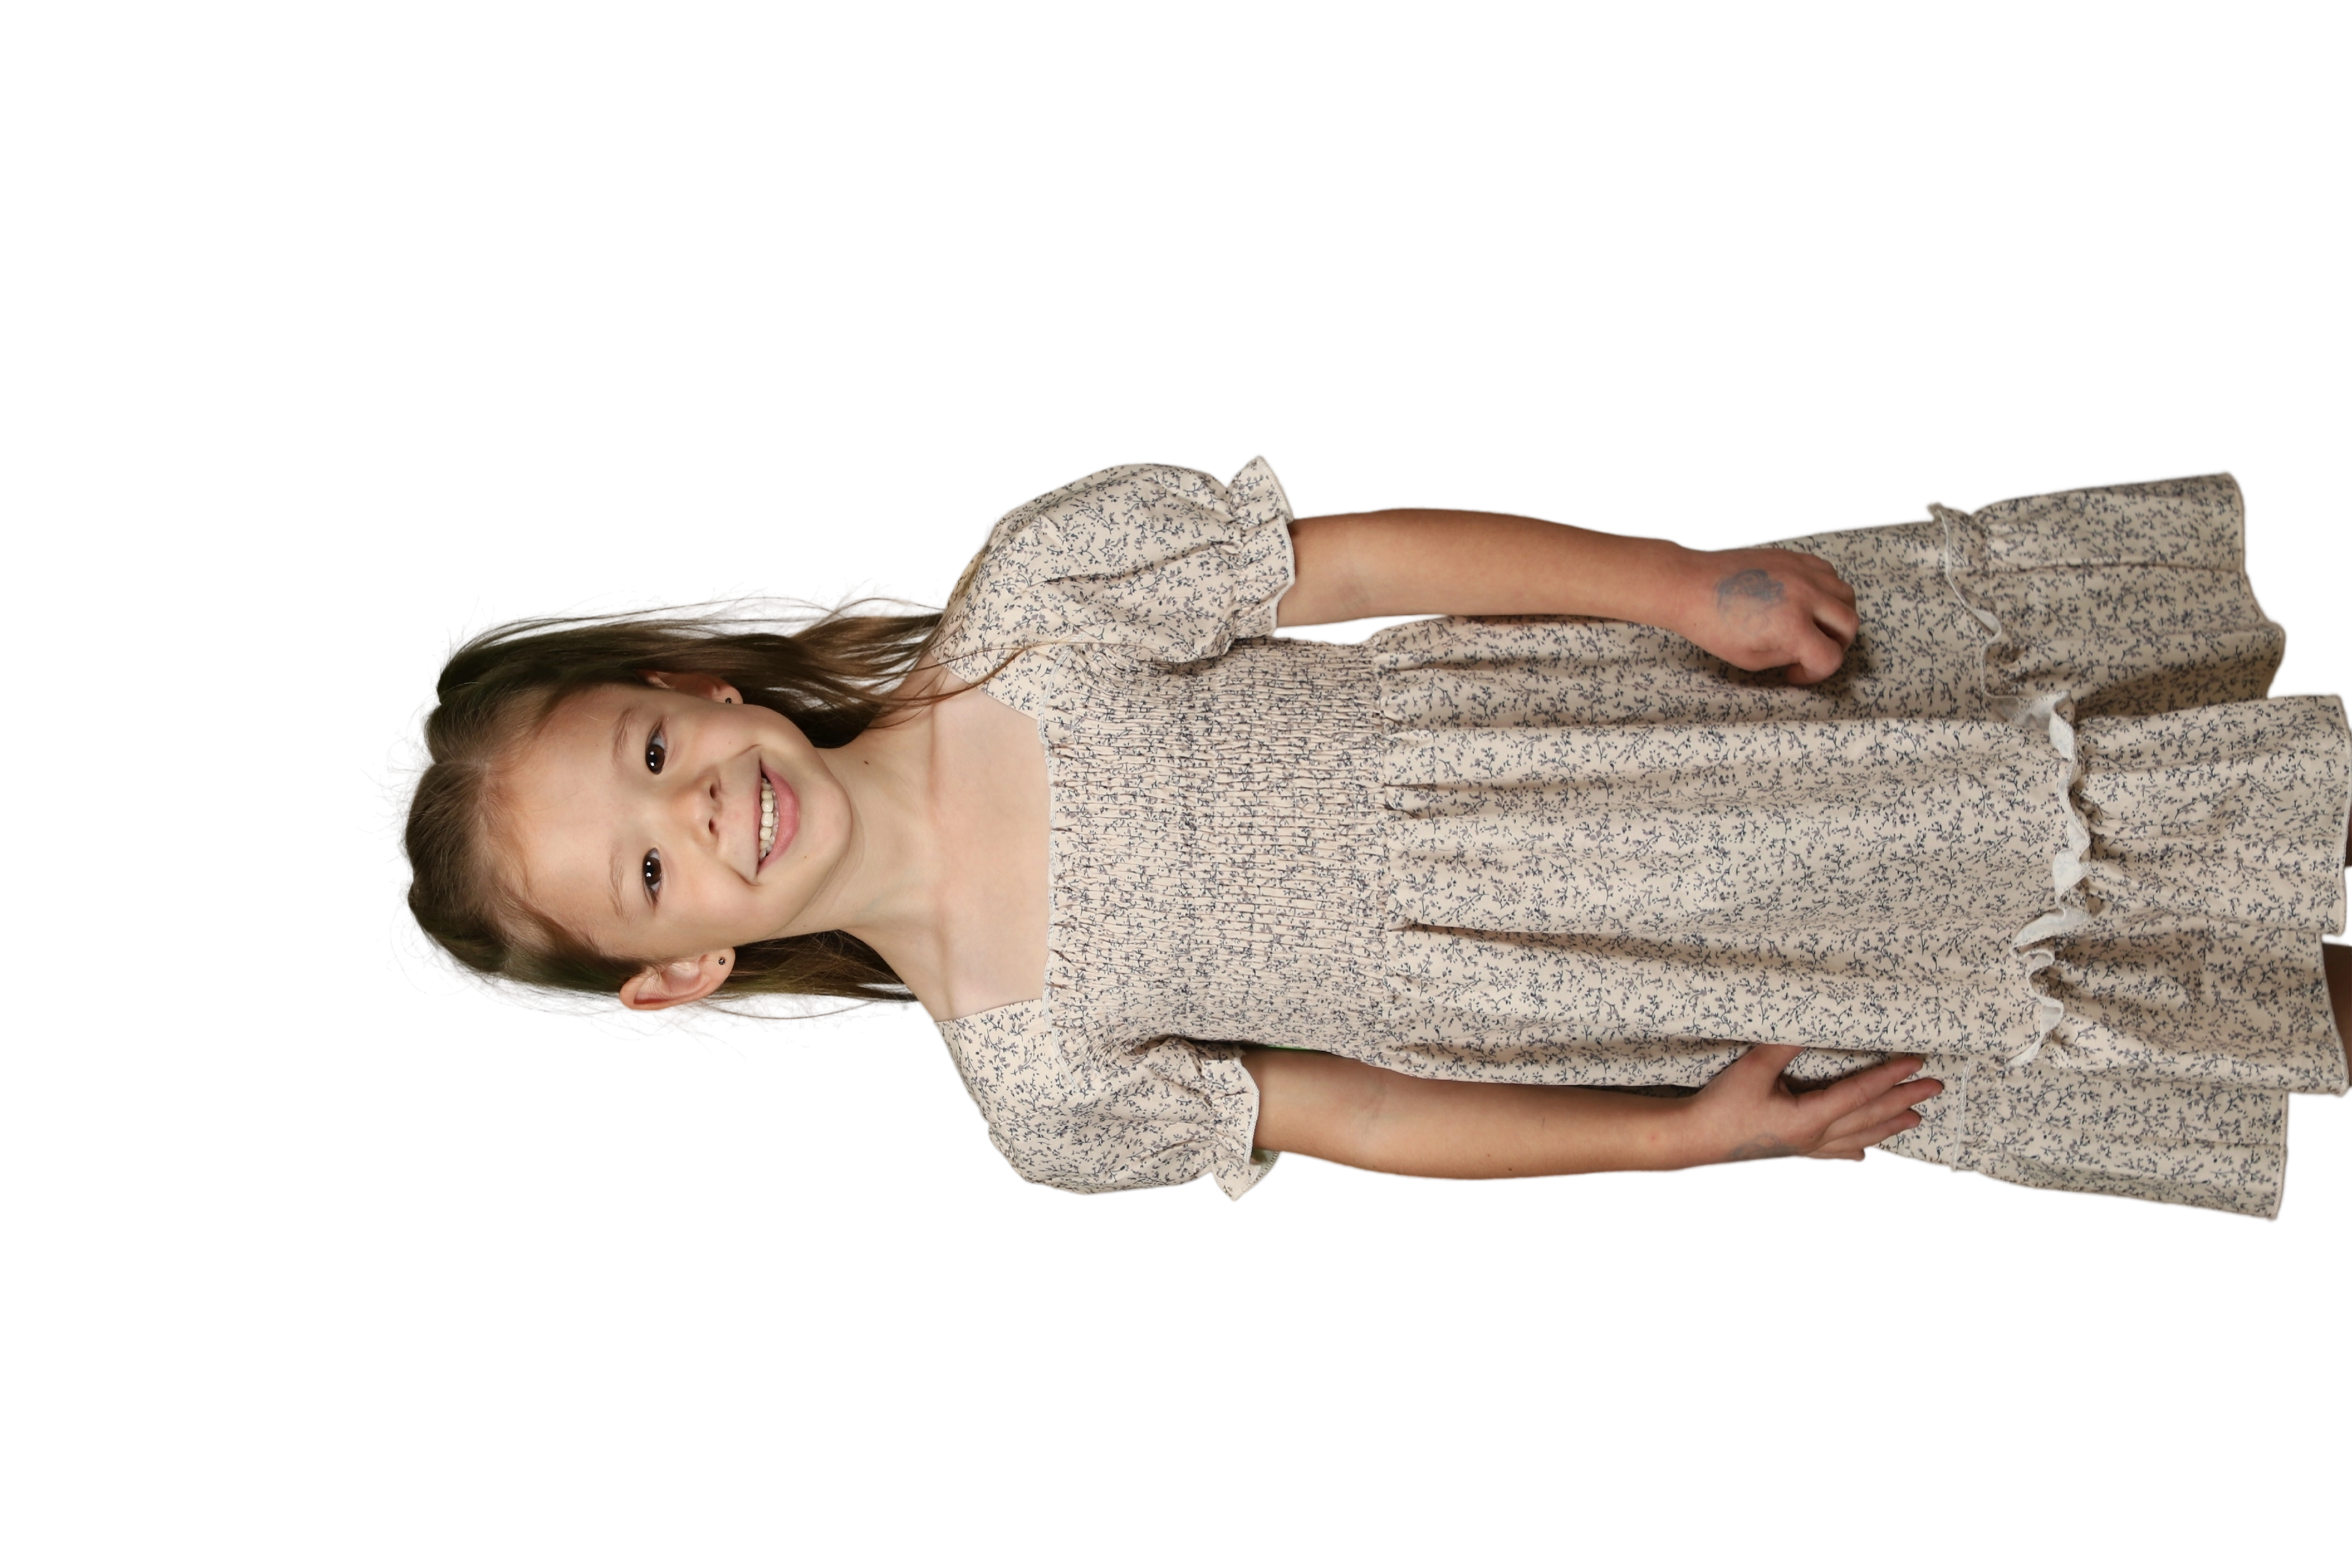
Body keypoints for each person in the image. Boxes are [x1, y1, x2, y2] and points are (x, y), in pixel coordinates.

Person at [358, 453, 2352, 1224]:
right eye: (646, 871)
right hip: (1637, 980)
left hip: (1659, 747)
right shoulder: (1046, 1091)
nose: (698, 812)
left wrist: (1678, 587)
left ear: (692, 684)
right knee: (2159, 982)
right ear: (680, 967)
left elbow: (1364, 565)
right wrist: (1677, 1140)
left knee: (2127, 800)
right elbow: (1372, 1119)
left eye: (647, 751)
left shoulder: (1039, 604)